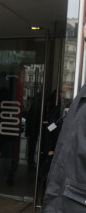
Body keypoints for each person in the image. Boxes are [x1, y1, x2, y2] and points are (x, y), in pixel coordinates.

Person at [41, 84, 86, 213]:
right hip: (65, 196)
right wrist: (49, 148)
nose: (64, 94)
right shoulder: (59, 107)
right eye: (62, 92)